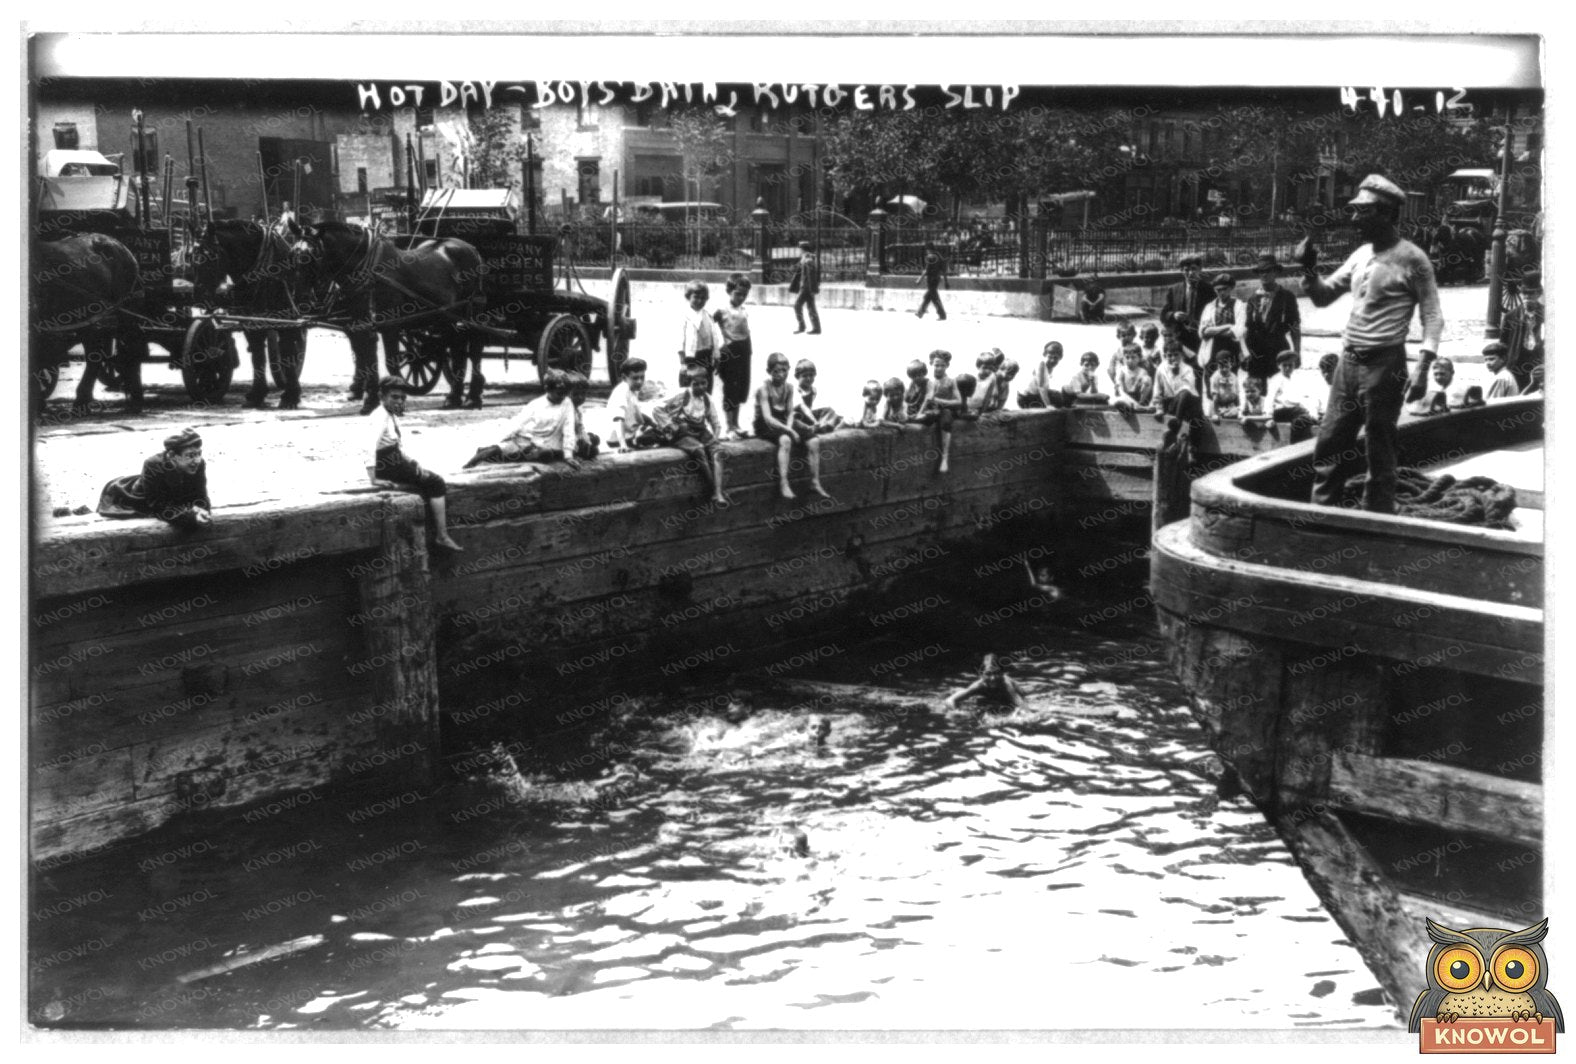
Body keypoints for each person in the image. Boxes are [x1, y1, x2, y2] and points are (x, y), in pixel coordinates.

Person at [1300, 173, 1444, 514]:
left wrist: (1423, 368)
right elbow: (1322, 297)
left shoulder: (1413, 259)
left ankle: (1377, 519)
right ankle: (1322, 516)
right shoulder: (1360, 255)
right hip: (1347, 363)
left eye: (1361, 212)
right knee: (1330, 442)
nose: (1353, 220)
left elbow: (1433, 316)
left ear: (1386, 214)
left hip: (1385, 364)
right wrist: (1308, 268)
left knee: (1379, 448)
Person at [364, 377, 463, 552]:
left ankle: (435, 528)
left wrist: (411, 461)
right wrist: (373, 478)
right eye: (394, 397)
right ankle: (442, 535)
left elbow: (397, 445)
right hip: (389, 465)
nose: (399, 401)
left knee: (424, 476)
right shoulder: (379, 417)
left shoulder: (391, 416)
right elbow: (368, 446)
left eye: (402, 398)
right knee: (436, 482)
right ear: (382, 396)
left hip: (395, 461)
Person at [97, 427, 212, 530]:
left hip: (169, 496)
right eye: (190, 455)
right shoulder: (153, 464)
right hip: (137, 497)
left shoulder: (199, 464)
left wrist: (202, 510)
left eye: (198, 453)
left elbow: (201, 494)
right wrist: (191, 517)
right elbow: (157, 506)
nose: (196, 460)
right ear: (172, 455)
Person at [465, 368, 579, 468]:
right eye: (559, 393)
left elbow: (568, 429)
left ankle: (510, 457)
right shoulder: (536, 404)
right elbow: (517, 422)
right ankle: (468, 466)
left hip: (545, 444)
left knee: (545, 454)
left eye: (565, 393)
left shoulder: (567, 403)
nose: (562, 396)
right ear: (547, 389)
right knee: (494, 450)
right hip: (524, 440)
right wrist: (502, 440)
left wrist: (568, 456)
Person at [754, 353, 829, 501]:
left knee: (814, 441)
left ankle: (815, 481)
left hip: (783, 420)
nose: (781, 375)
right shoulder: (764, 389)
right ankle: (784, 482)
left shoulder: (789, 387)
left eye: (784, 370)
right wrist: (788, 431)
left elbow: (789, 413)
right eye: (776, 371)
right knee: (785, 440)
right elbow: (768, 418)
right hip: (766, 423)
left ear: (788, 370)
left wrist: (790, 427)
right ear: (769, 371)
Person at [660, 363, 728, 505]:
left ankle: (718, 491)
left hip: (701, 432)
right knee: (699, 450)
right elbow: (657, 410)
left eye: (704, 383)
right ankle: (715, 490)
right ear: (689, 384)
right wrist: (671, 426)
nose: (701, 387)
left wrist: (714, 440)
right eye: (696, 384)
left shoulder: (707, 399)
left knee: (718, 452)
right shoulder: (682, 397)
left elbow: (716, 423)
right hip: (683, 433)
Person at [1242, 253, 1302, 384]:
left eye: (1268, 271)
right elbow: (1248, 329)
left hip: (1279, 350)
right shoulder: (1252, 299)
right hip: (1257, 352)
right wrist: (1246, 353)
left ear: (1275, 272)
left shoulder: (1287, 297)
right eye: (1261, 272)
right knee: (1256, 391)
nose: (1264, 275)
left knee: (1280, 391)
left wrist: (1297, 352)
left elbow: (1294, 327)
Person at [713, 273, 754, 439]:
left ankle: (736, 424)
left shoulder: (743, 309)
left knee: (741, 388)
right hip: (730, 351)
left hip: (744, 349)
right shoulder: (721, 310)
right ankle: (729, 427)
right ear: (729, 291)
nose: (742, 298)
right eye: (738, 294)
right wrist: (717, 349)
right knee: (731, 387)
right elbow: (712, 329)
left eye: (745, 294)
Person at [916, 349, 965, 474]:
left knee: (946, 418)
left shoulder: (950, 381)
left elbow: (959, 402)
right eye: (936, 365)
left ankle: (945, 457)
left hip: (945, 411)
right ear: (932, 364)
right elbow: (926, 400)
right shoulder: (929, 382)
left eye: (942, 365)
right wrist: (920, 412)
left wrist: (941, 402)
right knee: (922, 419)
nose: (939, 368)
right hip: (933, 411)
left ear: (947, 366)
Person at [605, 357, 668, 452]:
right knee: (661, 437)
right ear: (624, 378)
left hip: (629, 433)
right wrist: (623, 444)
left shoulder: (633, 390)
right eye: (635, 378)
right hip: (619, 438)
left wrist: (653, 424)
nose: (639, 381)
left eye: (642, 377)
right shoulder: (622, 391)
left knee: (661, 430)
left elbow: (635, 413)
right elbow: (618, 419)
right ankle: (636, 442)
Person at [1161, 254, 1215, 353]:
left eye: (1193, 269)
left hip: (1202, 337)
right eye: (1186, 270)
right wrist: (1174, 315)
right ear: (1181, 271)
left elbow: (1215, 314)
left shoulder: (1209, 290)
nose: (1190, 273)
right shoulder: (1174, 290)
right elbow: (1163, 315)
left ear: (1200, 269)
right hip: (1181, 339)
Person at [1503, 268, 1544, 390]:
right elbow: (1503, 344)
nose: (1527, 297)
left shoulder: (1548, 314)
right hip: (1517, 365)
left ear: (1539, 293)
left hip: (1538, 365)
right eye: (1524, 293)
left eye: (1531, 293)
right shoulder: (1510, 316)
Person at [945, 653, 1029, 712]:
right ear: (981, 675)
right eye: (988, 674)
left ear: (1002, 674)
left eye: (996, 673)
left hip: (1013, 695)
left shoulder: (1006, 686)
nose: (993, 678)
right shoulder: (978, 685)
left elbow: (1022, 705)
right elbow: (949, 700)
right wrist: (955, 712)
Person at [1266, 350, 1316, 441]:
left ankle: (1299, 440)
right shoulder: (1276, 379)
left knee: (1300, 421)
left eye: (1291, 365)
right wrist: (1268, 416)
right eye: (1284, 365)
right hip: (1281, 412)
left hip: (1295, 413)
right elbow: (1269, 398)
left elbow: (1302, 398)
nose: (1288, 368)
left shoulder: (1296, 379)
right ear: (1279, 366)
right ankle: (1309, 419)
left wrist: (1311, 409)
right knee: (1300, 412)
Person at [1199, 272, 1244, 373]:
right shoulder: (1210, 307)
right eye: (1218, 290)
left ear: (1231, 288)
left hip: (1232, 348)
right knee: (1212, 378)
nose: (1221, 293)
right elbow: (1204, 331)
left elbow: (1238, 331)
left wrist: (1213, 331)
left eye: (1225, 289)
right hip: (1213, 348)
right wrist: (1228, 326)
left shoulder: (1239, 305)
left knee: (1231, 378)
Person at [679, 280, 720, 385]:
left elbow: (714, 338)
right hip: (691, 357)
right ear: (689, 297)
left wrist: (716, 356)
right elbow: (680, 341)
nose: (699, 301)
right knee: (690, 384)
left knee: (706, 383)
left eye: (703, 298)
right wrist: (683, 363)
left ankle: (706, 400)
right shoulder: (684, 316)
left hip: (706, 355)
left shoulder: (708, 316)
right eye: (696, 297)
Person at [1404, 357, 1470, 416]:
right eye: (1436, 374)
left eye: (1442, 374)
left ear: (1452, 372)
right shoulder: (1436, 387)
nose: (1438, 377)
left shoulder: (1456, 389)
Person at [793, 358, 844, 433]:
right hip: (799, 415)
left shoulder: (813, 390)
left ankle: (822, 427)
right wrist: (815, 422)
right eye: (804, 376)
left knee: (829, 411)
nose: (809, 378)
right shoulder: (795, 390)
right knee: (794, 418)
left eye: (811, 375)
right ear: (797, 377)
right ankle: (815, 427)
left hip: (810, 416)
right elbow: (802, 407)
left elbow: (812, 410)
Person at [1018, 341, 1068, 408]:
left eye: (1055, 358)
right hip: (1026, 398)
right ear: (1044, 354)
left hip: (1035, 394)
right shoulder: (1041, 365)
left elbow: (1045, 387)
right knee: (1056, 399)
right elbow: (1041, 387)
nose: (1052, 360)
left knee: (1060, 396)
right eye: (1050, 357)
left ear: (1060, 357)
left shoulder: (1049, 368)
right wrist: (1048, 405)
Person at [788, 240, 821, 335]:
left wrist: (812, 289)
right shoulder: (805, 258)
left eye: (799, 249)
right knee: (811, 307)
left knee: (797, 306)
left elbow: (811, 275)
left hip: (806, 288)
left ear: (802, 249)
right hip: (807, 287)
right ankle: (816, 328)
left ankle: (802, 326)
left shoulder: (808, 259)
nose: (798, 251)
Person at [566, 371, 600, 460]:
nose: (580, 397)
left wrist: (586, 439)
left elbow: (580, 428)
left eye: (583, 394)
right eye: (575, 394)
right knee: (592, 450)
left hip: (575, 437)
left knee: (594, 439)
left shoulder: (578, 409)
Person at [1112, 345, 1154, 410]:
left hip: (1137, 396)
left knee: (1147, 379)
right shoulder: (1122, 370)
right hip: (1124, 395)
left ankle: (1140, 404)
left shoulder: (1142, 371)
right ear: (1123, 359)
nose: (1130, 360)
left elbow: (1144, 384)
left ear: (1139, 358)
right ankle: (1130, 405)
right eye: (1127, 357)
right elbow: (1119, 386)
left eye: (1133, 357)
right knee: (1118, 383)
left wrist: (1138, 383)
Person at [1206, 349, 1243, 421]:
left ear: (1231, 364)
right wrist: (1215, 413)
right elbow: (1215, 398)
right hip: (1218, 406)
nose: (1224, 369)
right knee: (1218, 418)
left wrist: (1238, 408)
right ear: (1217, 366)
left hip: (1231, 406)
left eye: (1226, 366)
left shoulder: (1234, 377)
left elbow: (1238, 395)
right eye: (1221, 366)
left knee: (1236, 413)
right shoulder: (1215, 377)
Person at [917, 243, 948, 320]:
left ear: (928, 249)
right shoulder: (939, 256)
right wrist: (946, 281)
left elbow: (926, 270)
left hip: (931, 280)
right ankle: (920, 312)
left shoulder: (930, 257)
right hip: (937, 279)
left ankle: (942, 315)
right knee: (928, 296)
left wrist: (919, 279)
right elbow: (943, 270)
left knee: (934, 297)